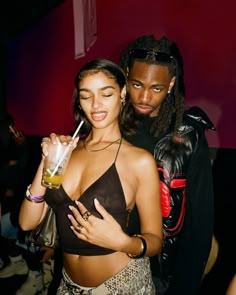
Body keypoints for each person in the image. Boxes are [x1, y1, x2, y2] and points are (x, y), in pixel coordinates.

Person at [19, 58, 163, 294]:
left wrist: (122, 242)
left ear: (122, 94)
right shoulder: (66, 152)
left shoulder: (139, 160)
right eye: (86, 96)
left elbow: (155, 240)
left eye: (106, 94)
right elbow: (27, 222)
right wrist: (47, 161)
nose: (96, 105)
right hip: (68, 285)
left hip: (123, 285)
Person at [119, 35, 216, 295]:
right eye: (137, 84)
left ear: (171, 84)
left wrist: (185, 285)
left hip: (162, 271)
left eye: (157, 88)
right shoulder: (109, 124)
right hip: (110, 260)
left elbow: (200, 220)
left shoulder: (187, 135)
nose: (144, 96)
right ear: (126, 75)